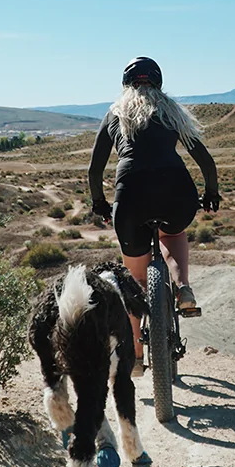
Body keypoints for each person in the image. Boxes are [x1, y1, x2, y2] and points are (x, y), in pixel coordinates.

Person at [88, 56, 220, 376]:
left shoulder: (115, 113)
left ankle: (134, 355)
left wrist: (100, 204)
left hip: (130, 196)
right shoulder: (172, 111)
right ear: (158, 82)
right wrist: (211, 193)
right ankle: (183, 287)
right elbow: (204, 159)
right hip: (176, 192)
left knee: (135, 280)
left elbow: (94, 169)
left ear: (126, 82)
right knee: (172, 234)